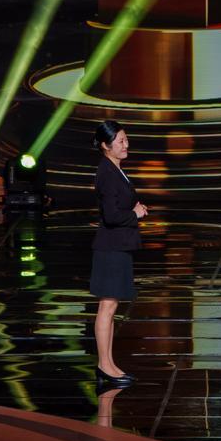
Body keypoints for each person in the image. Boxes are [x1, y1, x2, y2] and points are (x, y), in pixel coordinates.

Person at [92, 119, 147, 388]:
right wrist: (134, 214)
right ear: (106, 145)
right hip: (111, 248)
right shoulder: (106, 172)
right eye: (121, 141)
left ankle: (109, 364)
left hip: (118, 246)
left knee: (111, 306)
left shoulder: (115, 169)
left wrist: (135, 208)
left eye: (126, 139)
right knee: (107, 306)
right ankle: (104, 365)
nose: (126, 144)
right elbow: (111, 215)